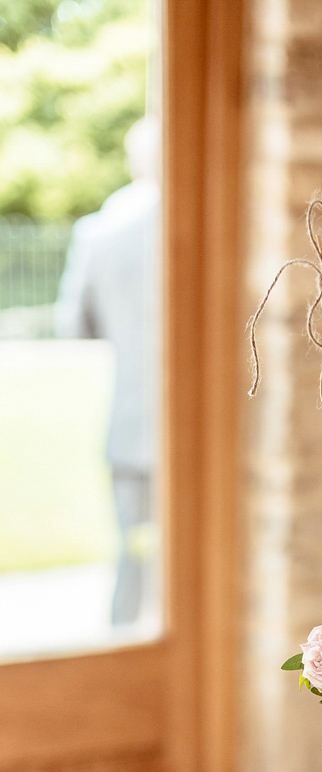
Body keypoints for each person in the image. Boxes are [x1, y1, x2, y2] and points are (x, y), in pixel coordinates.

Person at [56, 115, 160, 627]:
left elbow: (73, 325)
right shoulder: (201, 223)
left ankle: (124, 644)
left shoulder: (100, 229)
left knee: (132, 553)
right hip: (194, 428)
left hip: (130, 420)